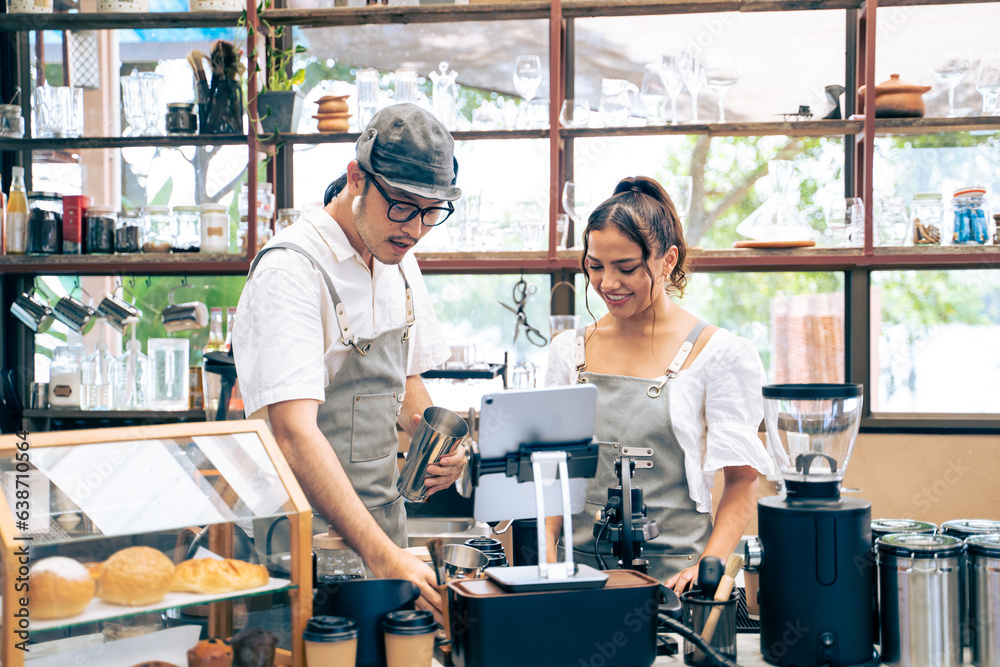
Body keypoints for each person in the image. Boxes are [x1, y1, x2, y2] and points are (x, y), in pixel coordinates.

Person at [233, 104, 466, 617]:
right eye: (404, 205)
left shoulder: (398, 257)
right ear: (356, 177)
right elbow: (293, 432)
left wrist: (436, 445)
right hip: (307, 540)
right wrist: (381, 556)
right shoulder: (291, 271)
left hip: (384, 529)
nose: (417, 229)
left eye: (432, 211)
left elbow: (405, 379)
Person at [543, 175, 772, 593]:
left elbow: (742, 482)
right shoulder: (567, 352)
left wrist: (710, 565)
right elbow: (550, 474)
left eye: (626, 268)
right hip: (577, 584)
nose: (608, 284)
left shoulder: (718, 354)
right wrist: (542, 564)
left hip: (676, 586)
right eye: (595, 266)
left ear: (667, 261)